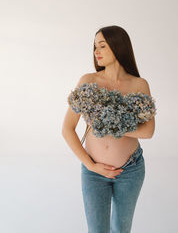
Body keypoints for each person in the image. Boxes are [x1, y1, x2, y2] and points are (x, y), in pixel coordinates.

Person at [62, 25, 156, 233]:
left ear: (118, 47)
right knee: (97, 230)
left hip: (130, 169)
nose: (96, 52)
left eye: (102, 46)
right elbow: (67, 129)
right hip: (93, 170)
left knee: (121, 229)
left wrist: (109, 125)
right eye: (95, 47)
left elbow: (148, 131)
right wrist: (91, 165)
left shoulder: (139, 84)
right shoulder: (88, 82)